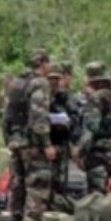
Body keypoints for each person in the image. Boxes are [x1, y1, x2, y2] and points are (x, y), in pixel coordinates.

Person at [4, 50, 55, 221]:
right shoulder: (39, 83)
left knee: (17, 186)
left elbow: (7, 114)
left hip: (16, 141)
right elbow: (38, 115)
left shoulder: (16, 83)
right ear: (42, 63)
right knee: (37, 187)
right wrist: (46, 143)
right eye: (49, 63)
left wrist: (8, 138)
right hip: (32, 143)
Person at [76, 63, 111, 193]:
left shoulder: (96, 98)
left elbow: (91, 127)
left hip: (99, 152)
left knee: (98, 193)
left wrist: (79, 151)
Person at [47, 64, 74, 201]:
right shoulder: (41, 96)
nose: (54, 82)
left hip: (62, 141)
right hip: (47, 142)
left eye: (57, 79)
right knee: (46, 179)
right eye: (51, 79)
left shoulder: (65, 97)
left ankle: (60, 206)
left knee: (61, 179)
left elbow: (74, 116)